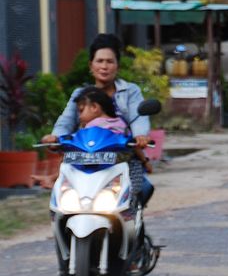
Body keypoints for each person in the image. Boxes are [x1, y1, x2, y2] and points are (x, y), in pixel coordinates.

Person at [42, 33, 154, 202]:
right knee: (62, 196)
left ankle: (133, 225)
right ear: (91, 65)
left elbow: (138, 117)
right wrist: (55, 136)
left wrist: (140, 135)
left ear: (117, 66)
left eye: (110, 61)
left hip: (121, 159)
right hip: (85, 159)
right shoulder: (80, 94)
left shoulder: (130, 91)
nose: (104, 66)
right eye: (99, 61)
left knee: (138, 190)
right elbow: (66, 121)